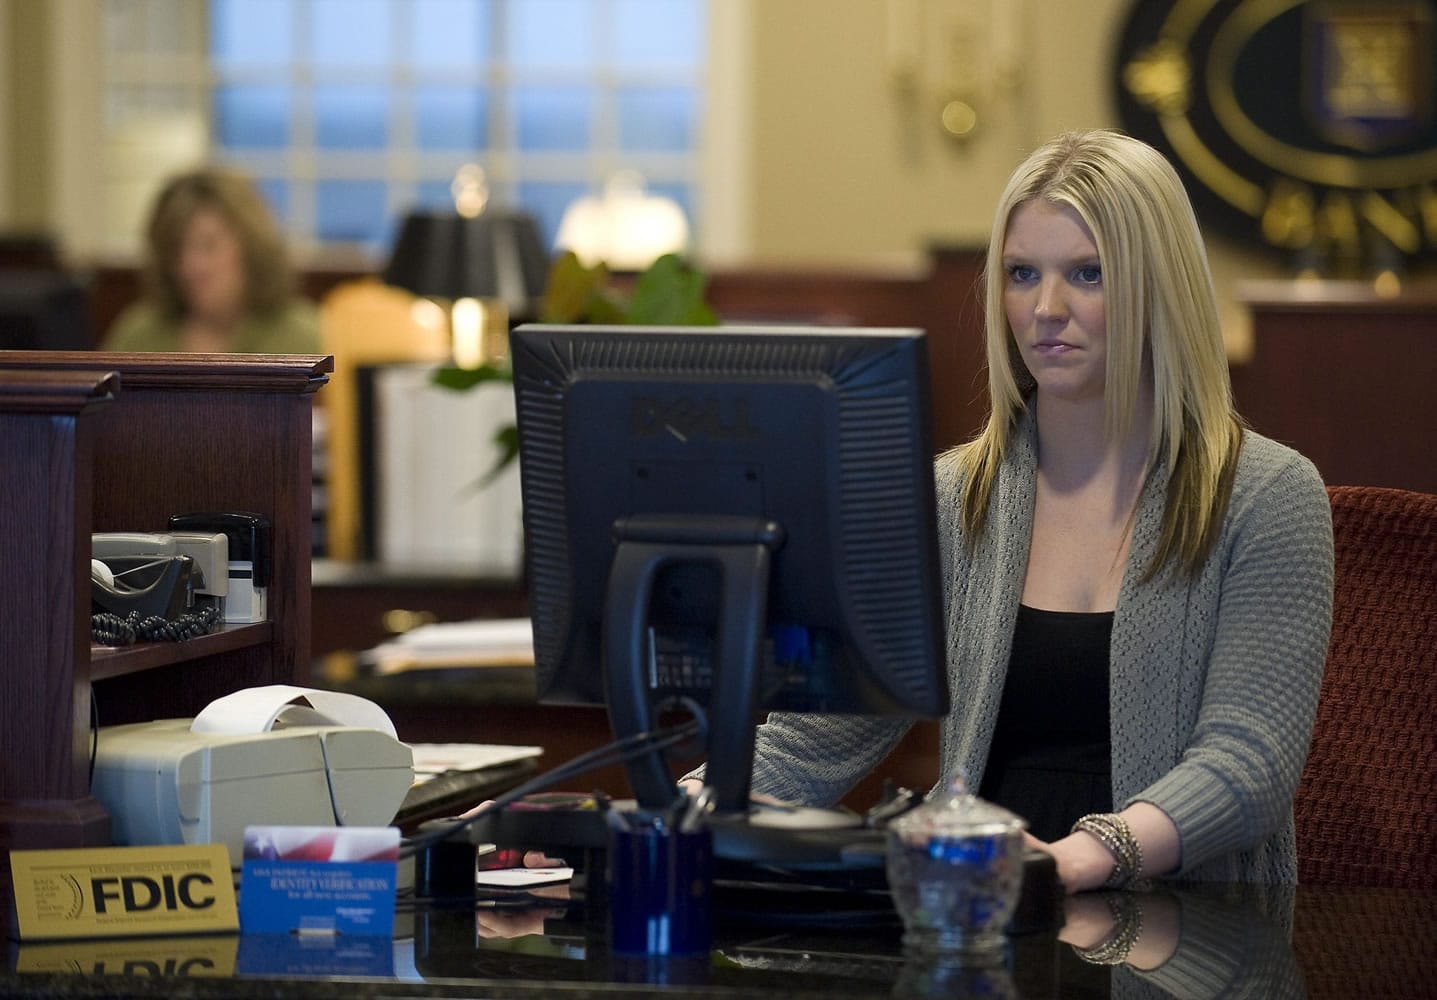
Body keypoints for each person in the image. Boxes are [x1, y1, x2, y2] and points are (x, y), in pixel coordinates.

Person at [683, 129, 1334, 892]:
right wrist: (679, 811)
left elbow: (1246, 766)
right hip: (976, 912)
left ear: (1160, 287)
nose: (1045, 309)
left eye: (1087, 274)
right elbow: (815, 741)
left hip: (1183, 924)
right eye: (1022, 273)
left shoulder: (1267, 495)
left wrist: (1074, 861)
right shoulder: (948, 500)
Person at [104, 167, 322, 355]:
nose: (191, 265)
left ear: (252, 245)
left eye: (208, 245)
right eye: (176, 249)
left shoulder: (304, 336)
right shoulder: (138, 336)